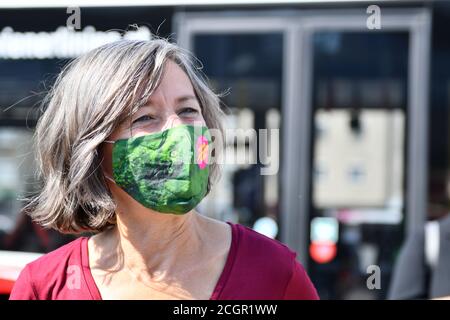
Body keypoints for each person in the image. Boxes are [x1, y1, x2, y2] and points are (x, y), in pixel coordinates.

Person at [9, 37, 318, 300]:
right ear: (91, 149)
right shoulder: (45, 286)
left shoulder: (275, 274)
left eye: (187, 110)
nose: (178, 130)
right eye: (145, 117)